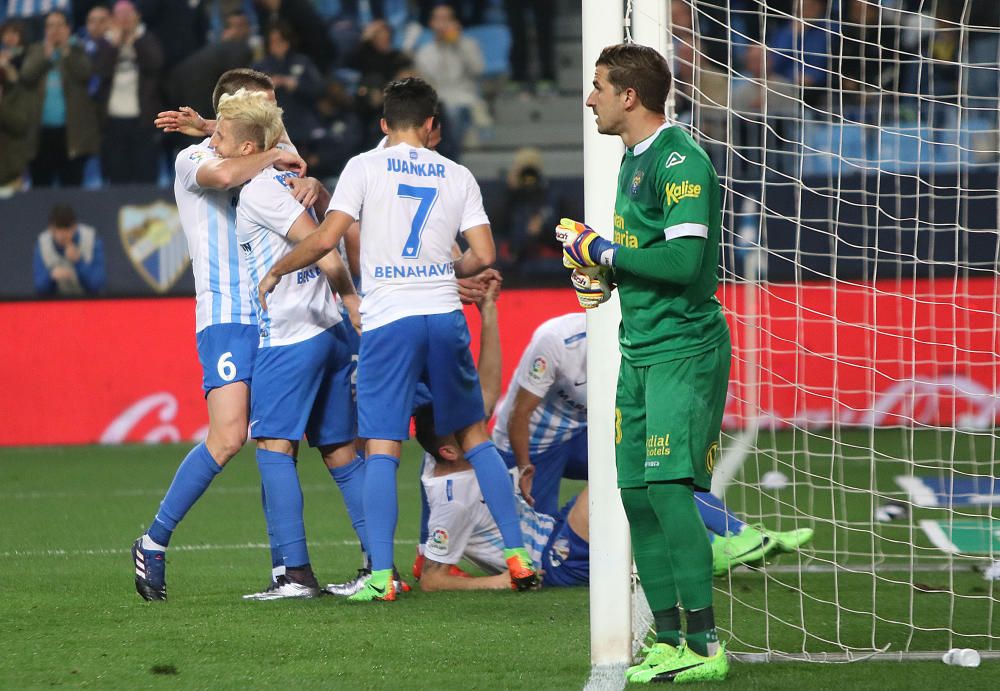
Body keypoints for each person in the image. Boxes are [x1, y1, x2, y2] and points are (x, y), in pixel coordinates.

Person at [257, 77, 538, 602]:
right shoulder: (458, 175)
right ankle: (518, 556)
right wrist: (442, 269)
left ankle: (381, 576)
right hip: (443, 316)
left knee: (383, 446)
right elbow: (484, 252)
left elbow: (324, 238)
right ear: (433, 125)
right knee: (475, 438)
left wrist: (276, 271)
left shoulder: (364, 166)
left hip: (390, 321)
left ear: (384, 124)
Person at [557, 44, 732, 683]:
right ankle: (669, 637)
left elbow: (686, 264)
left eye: (598, 85)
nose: (590, 96)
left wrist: (602, 250)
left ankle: (707, 646)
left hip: (684, 350)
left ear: (629, 96)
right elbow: (643, 258)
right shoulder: (633, 162)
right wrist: (603, 276)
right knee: (635, 495)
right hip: (641, 348)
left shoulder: (680, 159)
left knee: (667, 490)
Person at [131, 68, 307, 602]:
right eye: (263, 108)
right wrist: (249, 145)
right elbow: (223, 177)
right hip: (226, 314)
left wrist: (283, 159)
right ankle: (154, 540)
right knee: (229, 437)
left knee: (278, 444)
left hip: (277, 312)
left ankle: (288, 571)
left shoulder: (265, 151)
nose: (276, 124)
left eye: (276, 110)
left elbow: (294, 163)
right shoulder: (192, 158)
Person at [492, 312, 813, 574]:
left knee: (654, 467)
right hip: (530, 443)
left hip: (579, 435)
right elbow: (519, 413)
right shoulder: (556, 341)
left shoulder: (634, 347)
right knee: (540, 550)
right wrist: (523, 465)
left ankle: (737, 535)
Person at [214, 88, 360, 599]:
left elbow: (319, 246)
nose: (214, 143)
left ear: (250, 146)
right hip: (326, 332)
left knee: (274, 448)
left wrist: (350, 296)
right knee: (341, 452)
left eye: (221, 136)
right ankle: (377, 568)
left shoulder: (261, 192)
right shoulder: (291, 182)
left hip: (290, 333)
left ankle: (295, 576)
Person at [413, 278, 590, 592]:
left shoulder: (443, 453)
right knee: (617, 484)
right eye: (472, 430)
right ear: (450, 452)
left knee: (622, 502)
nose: (480, 429)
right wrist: (497, 581)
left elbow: (490, 388)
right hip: (554, 560)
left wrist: (489, 311)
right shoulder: (452, 500)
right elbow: (430, 580)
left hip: (556, 528)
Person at [19, 10, 100, 187]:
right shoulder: (36, 50)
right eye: (50, 26)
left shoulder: (78, 49)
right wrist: (45, 56)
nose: (54, 30)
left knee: (71, 186)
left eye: (59, 25)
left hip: (72, 134)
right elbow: (26, 75)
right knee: (40, 187)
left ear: (68, 28)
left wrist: (66, 52)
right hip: (40, 133)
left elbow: (85, 73)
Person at [100, 1, 163, 184]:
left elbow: (155, 63)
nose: (125, 19)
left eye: (129, 14)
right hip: (113, 119)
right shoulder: (106, 43)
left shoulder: (147, 38)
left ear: (137, 17)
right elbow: (99, 71)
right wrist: (115, 45)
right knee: (118, 175)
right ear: (113, 19)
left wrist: (134, 41)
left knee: (145, 174)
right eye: (120, 15)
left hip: (142, 119)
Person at [33, 203, 106, 296]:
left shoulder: (91, 240)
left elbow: (97, 285)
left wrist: (79, 262)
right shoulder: (42, 244)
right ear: (51, 228)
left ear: (75, 227)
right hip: (56, 304)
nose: (63, 234)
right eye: (58, 229)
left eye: (67, 229)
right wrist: (51, 276)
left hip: (87, 302)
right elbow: (39, 288)